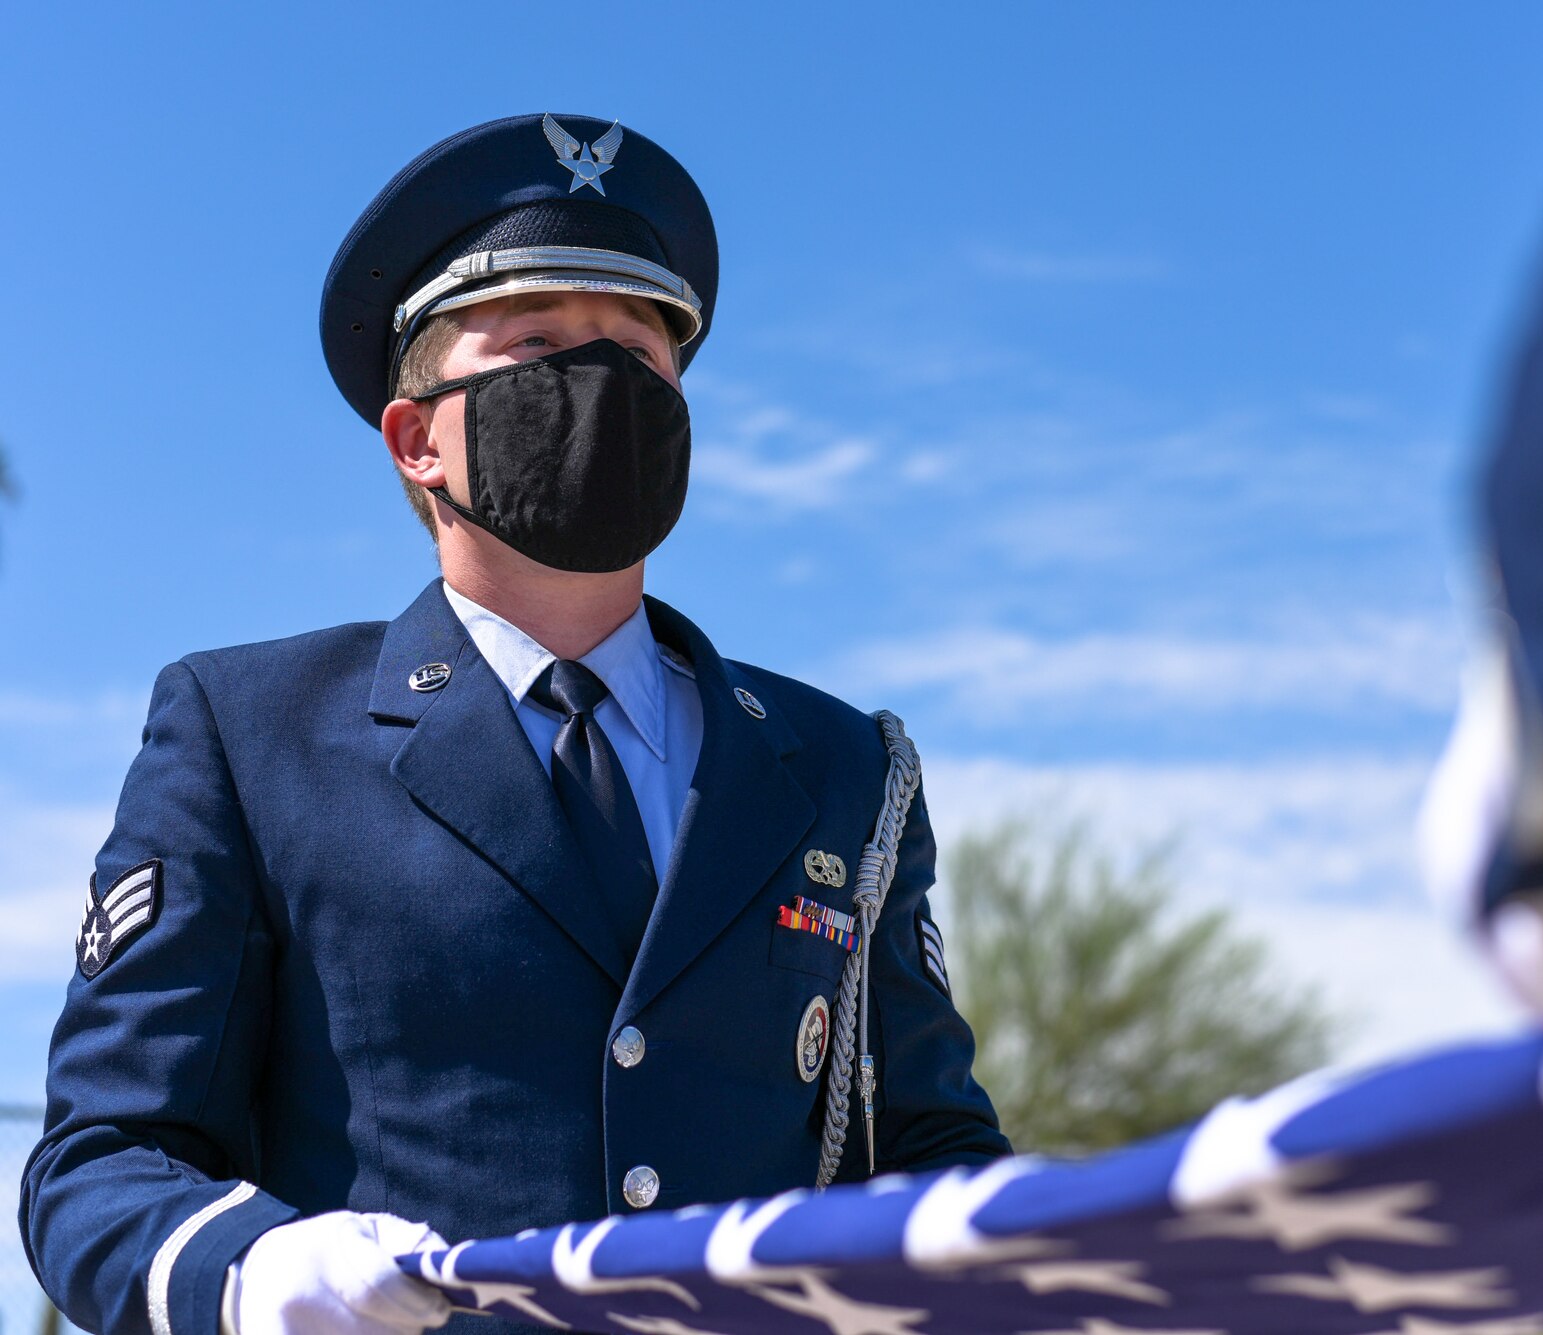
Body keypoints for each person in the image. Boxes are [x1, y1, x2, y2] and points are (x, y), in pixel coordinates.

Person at [18, 112, 1009, 1335]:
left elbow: (925, 1149)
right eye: (538, 342)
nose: (602, 385)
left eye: (638, 356)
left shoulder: (844, 768)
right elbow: (100, 1162)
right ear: (415, 438)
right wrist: (254, 1273)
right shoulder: (250, 733)